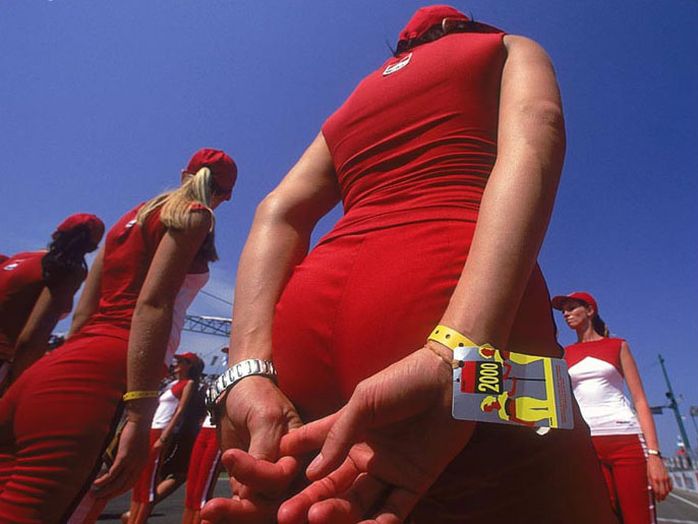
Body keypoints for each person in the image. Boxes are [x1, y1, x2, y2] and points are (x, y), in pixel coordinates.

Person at [204, 5, 615, 523]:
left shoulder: (355, 99)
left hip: (304, 345)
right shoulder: (506, 47)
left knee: (326, 503)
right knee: (559, 457)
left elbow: (278, 210)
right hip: (472, 331)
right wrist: (457, 354)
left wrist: (246, 370)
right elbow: (539, 128)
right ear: (459, 27)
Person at [0, 147, 236, 523]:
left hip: (52, 368)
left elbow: (81, 315)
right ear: (224, 195)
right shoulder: (196, 216)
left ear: (183, 175)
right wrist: (139, 412)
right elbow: (153, 304)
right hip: (109, 373)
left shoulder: (127, 222)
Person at [552, 291, 672, 523]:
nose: (566, 314)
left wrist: (655, 455)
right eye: (563, 310)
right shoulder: (563, 354)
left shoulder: (617, 345)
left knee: (638, 517)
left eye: (571, 307)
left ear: (589, 310)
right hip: (586, 445)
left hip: (626, 441)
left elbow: (640, 400)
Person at [0, 213, 104, 391]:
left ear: (56, 233)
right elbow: (32, 337)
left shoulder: (13, 259)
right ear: (92, 249)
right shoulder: (65, 269)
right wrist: (16, 384)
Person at [126, 352, 202, 523]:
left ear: (189, 365)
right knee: (140, 478)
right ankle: (132, 517)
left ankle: (139, 519)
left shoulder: (188, 383)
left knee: (149, 479)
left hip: (162, 430)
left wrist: (167, 433)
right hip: (151, 428)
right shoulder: (170, 384)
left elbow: (180, 410)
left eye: (181, 361)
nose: (176, 363)